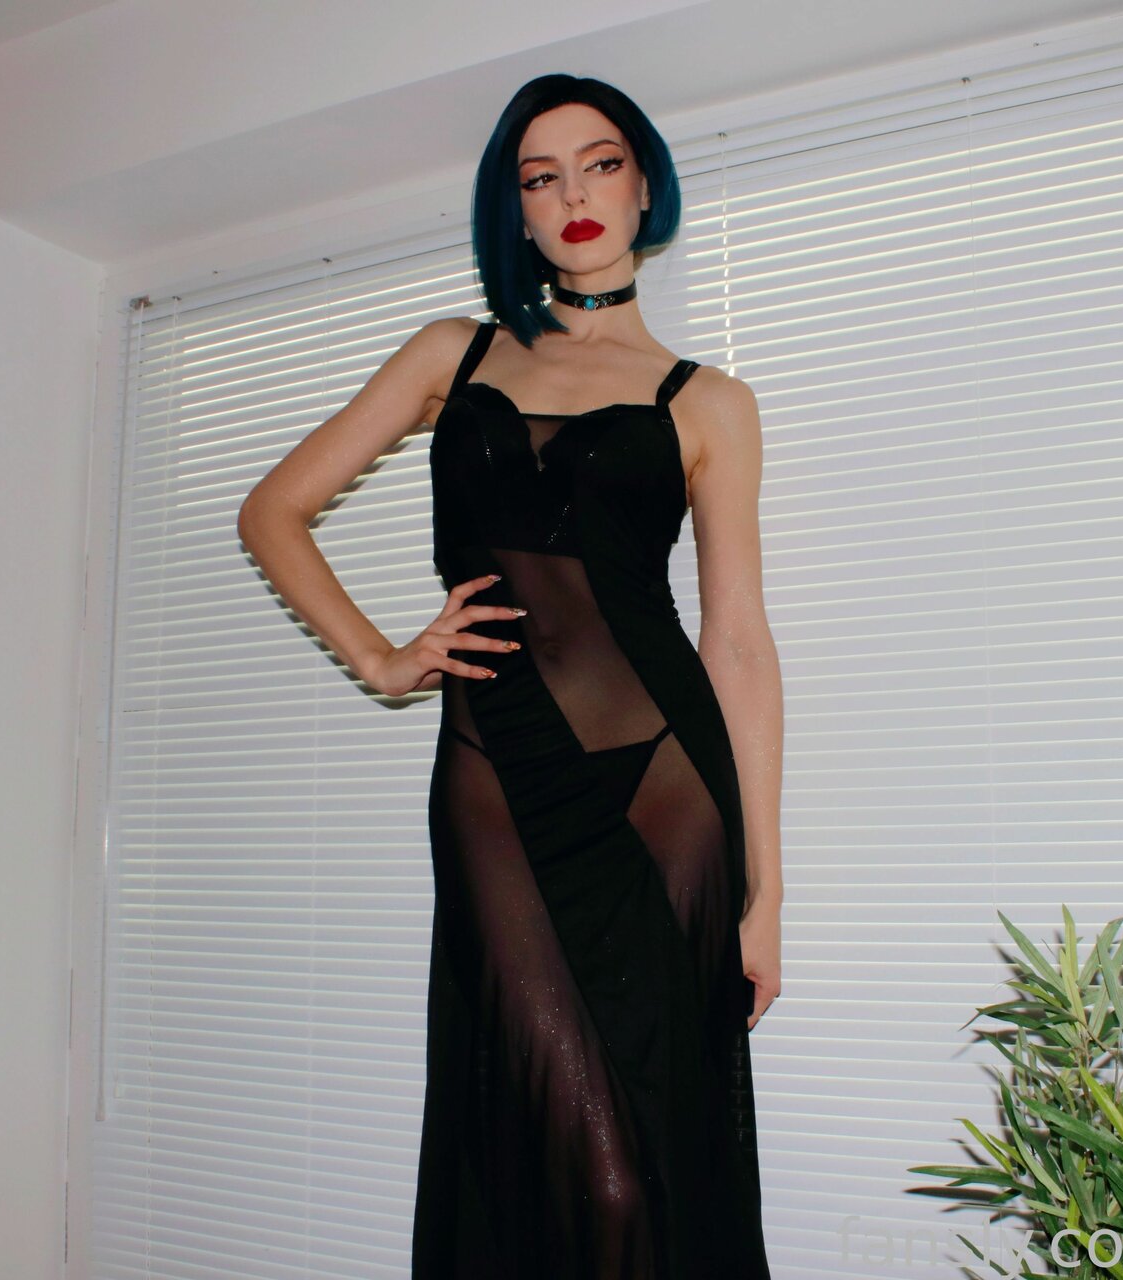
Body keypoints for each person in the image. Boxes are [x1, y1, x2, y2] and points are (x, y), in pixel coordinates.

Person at [237, 72, 781, 1277]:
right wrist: (382, 658)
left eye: (601, 163)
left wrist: (766, 894)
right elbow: (273, 510)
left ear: (644, 185)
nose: (575, 192)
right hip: (496, 772)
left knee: (654, 1152)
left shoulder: (711, 402)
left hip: (669, 785)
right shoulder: (454, 351)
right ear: (517, 209)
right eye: (543, 176)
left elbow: (738, 640)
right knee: (564, 1144)